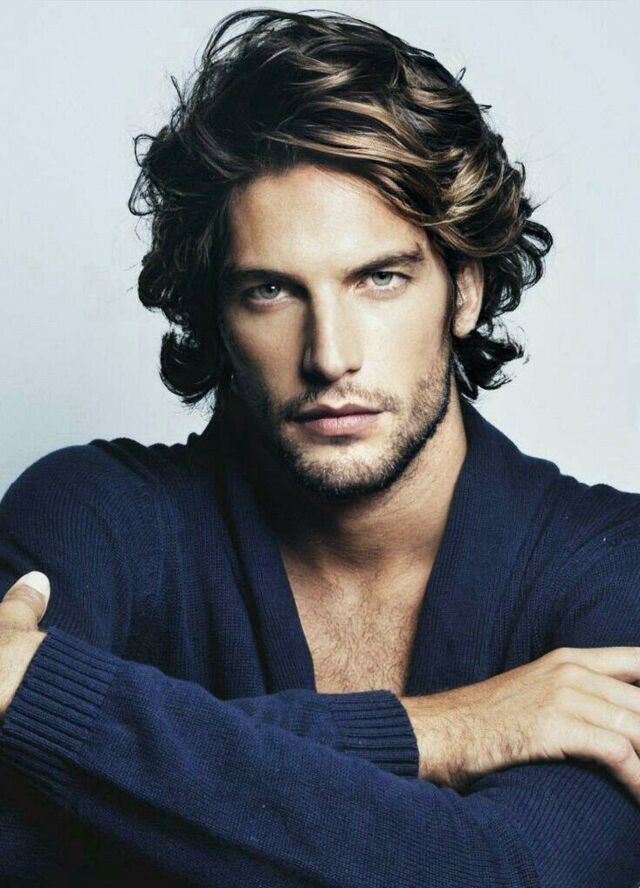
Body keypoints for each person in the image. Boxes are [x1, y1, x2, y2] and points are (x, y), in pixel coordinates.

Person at [0, 7, 638, 886]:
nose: (330, 355)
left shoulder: (615, 567)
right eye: (270, 291)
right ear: (215, 312)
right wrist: (447, 728)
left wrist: (40, 701)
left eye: (380, 278)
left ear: (464, 289)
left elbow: (504, 872)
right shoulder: (93, 516)